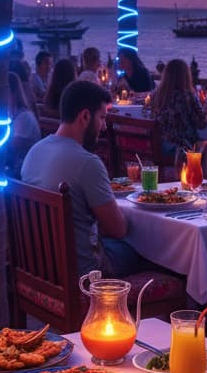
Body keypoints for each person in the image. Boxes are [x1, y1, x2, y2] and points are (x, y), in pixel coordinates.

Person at [22, 80, 137, 276]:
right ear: (85, 116)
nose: (103, 127)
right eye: (102, 118)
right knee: (151, 256)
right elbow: (117, 229)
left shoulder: (34, 151)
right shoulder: (87, 163)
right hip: (84, 275)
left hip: (40, 270)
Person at [149, 59, 207, 158]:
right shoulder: (187, 96)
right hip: (181, 148)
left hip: (160, 146)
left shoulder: (156, 95)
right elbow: (201, 124)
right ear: (186, 76)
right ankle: (200, 173)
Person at [7, 72, 40, 178]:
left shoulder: (24, 117)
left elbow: (11, 147)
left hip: (23, 170)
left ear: (12, 93)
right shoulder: (11, 113)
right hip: (13, 165)